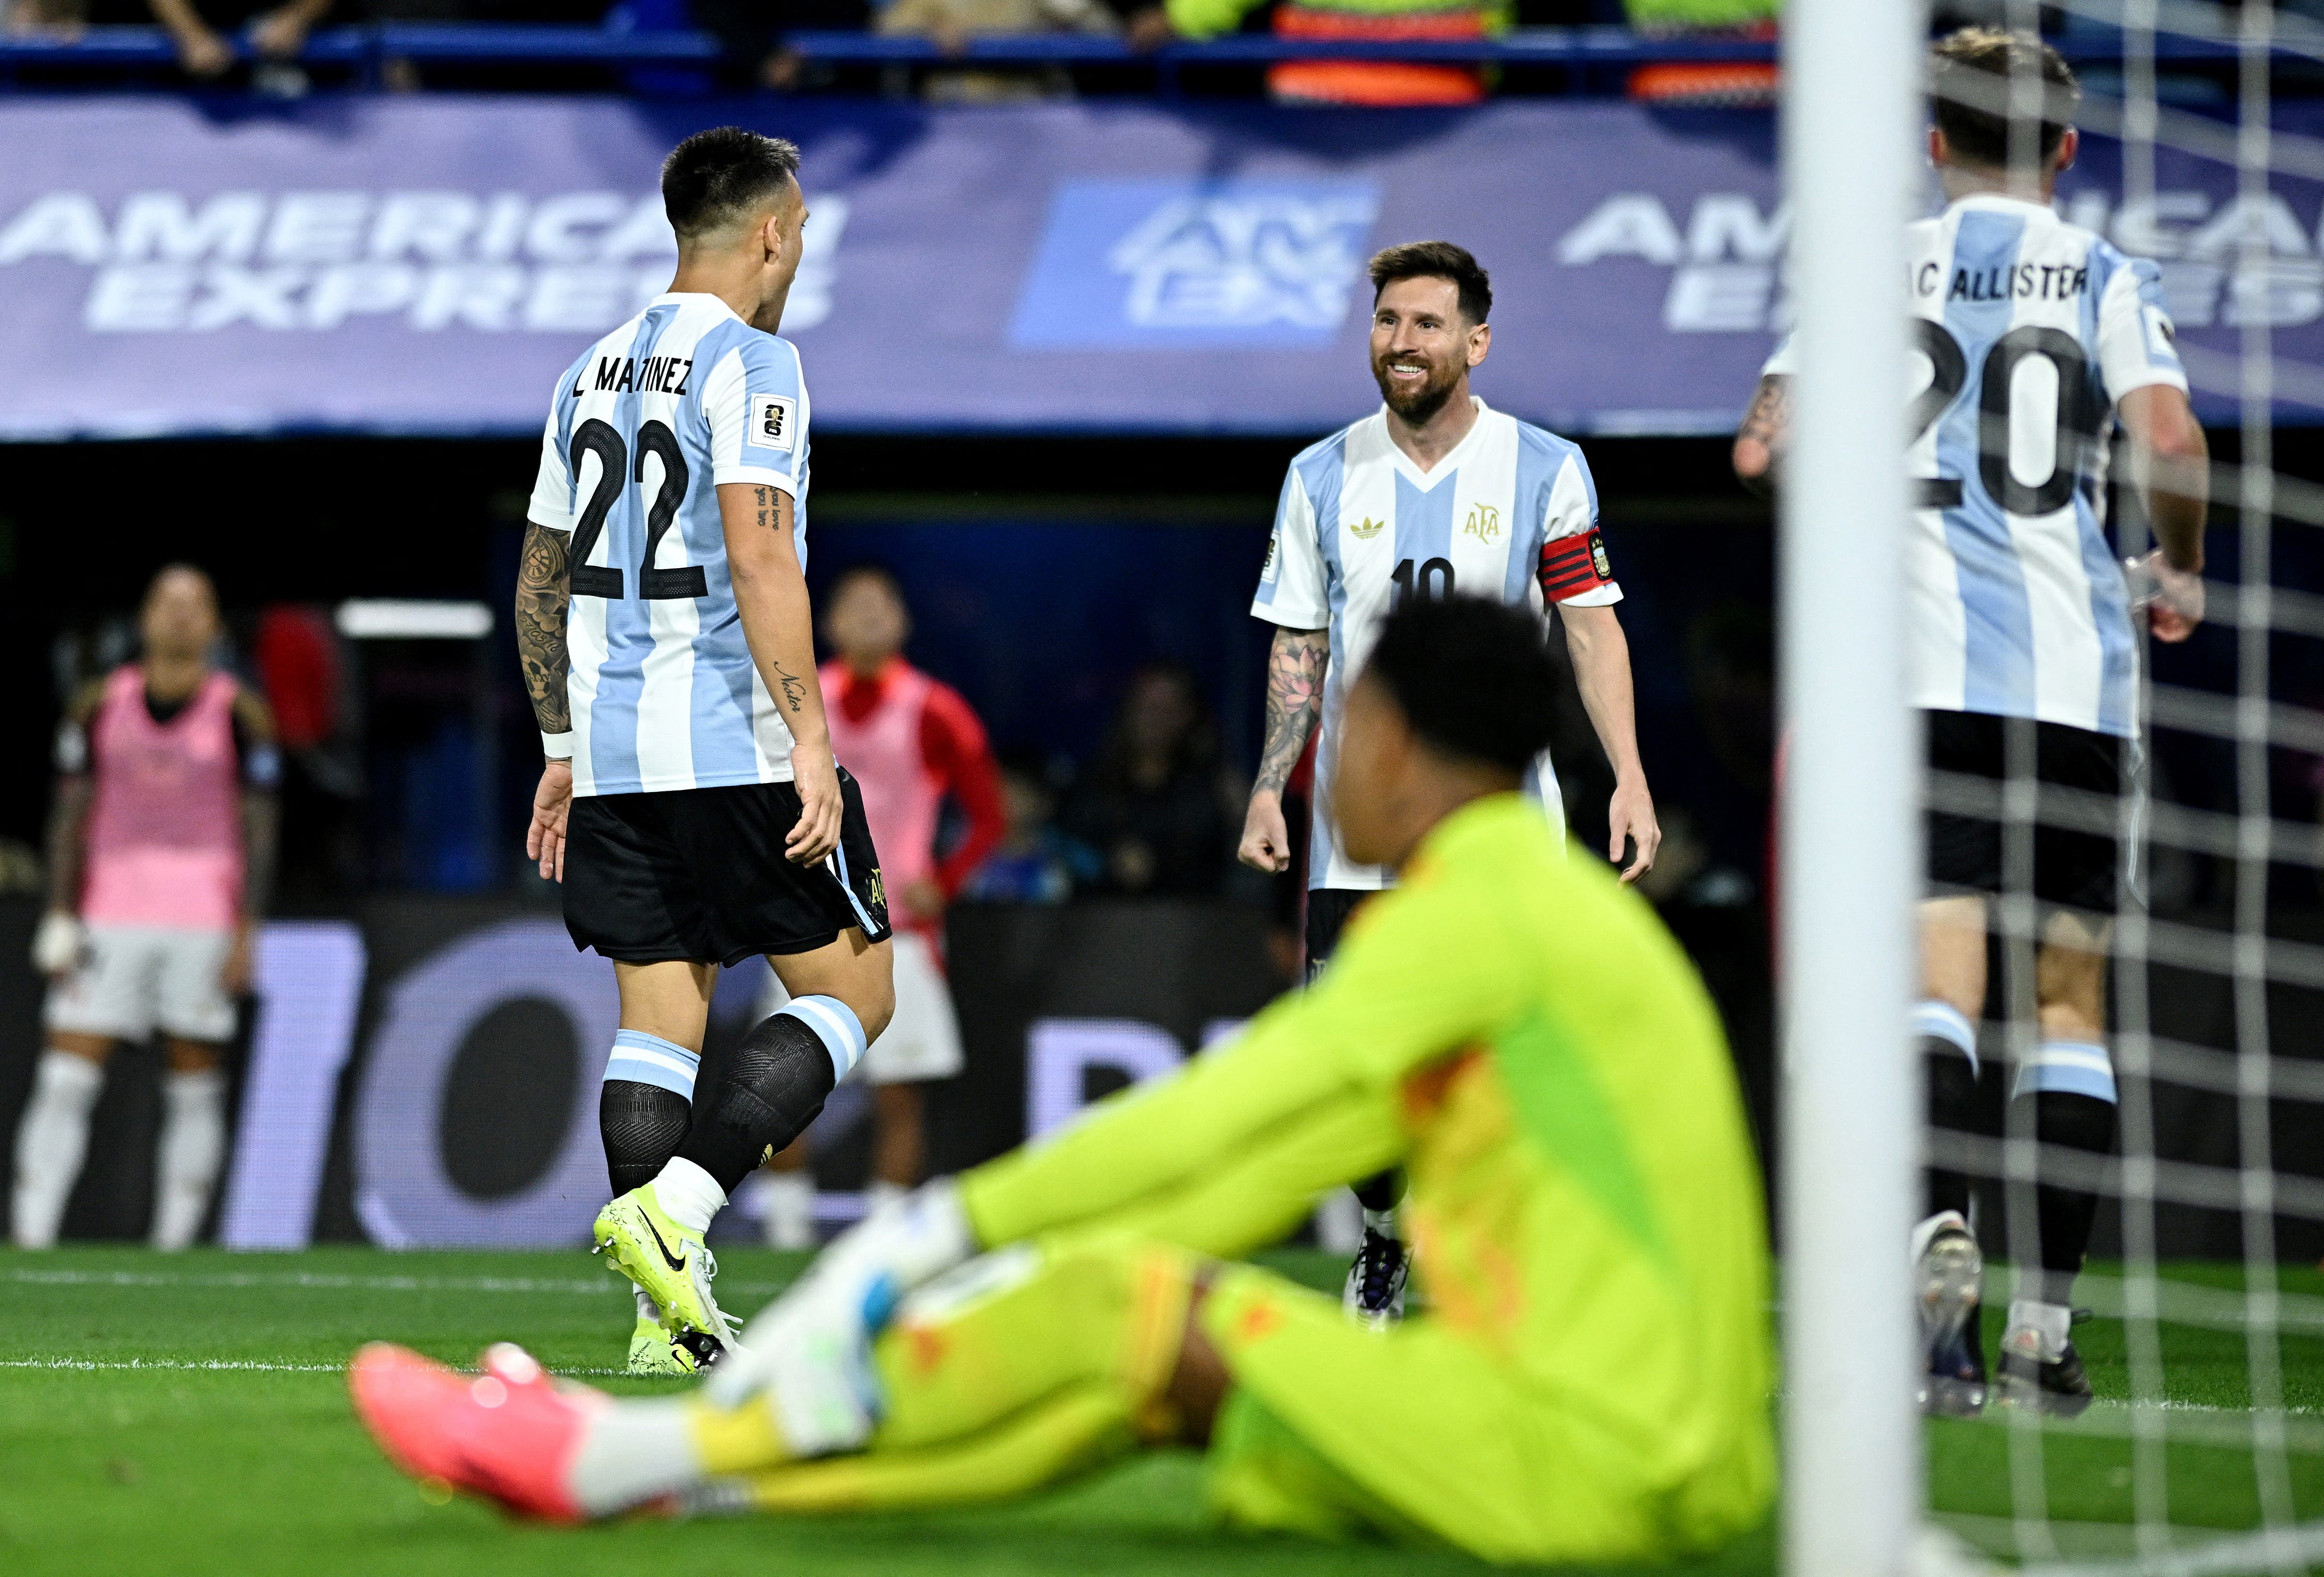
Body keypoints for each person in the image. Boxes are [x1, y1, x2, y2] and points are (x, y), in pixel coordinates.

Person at [348, 595, 1775, 1565]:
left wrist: (946, 1230)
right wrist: (1001, 1251)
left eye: (1346, 719)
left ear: (1393, 742)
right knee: (1136, 1366)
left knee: (1123, 1304)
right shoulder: (1542, 908)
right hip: (1663, 1458)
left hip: (1591, 1459)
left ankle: (622, 1455)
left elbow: (1227, 1113)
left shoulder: (1478, 912)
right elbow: (1247, 1172)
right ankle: (665, 1470)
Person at [1731, 27, 2210, 1417]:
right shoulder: (2102, 274)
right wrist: (2173, 563)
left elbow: (1762, 443)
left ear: (1928, 144)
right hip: (2067, 688)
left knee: (1932, 988)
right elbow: (2169, 442)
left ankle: (1930, 1273)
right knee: (2066, 1003)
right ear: (2064, 148)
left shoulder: (1862, 268)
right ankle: (2043, 1335)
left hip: (1907, 685)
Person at [515, 127, 896, 1376]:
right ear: (773, 230)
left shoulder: (588, 371)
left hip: (618, 750)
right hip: (727, 733)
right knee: (856, 991)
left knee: (659, 1018)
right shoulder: (758, 362)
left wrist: (563, 742)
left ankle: (661, 1325)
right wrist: (809, 730)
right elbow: (759, 553)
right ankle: (677, 1210)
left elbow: (539, 577)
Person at [1240, 238, 1662, 1324]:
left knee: (1501, 1066)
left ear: (1476, 340)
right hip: (1358, 838)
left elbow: (1589, 625)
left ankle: (1494, 1262)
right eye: (1387, 321)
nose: (1402, 342)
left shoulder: (1544, 467)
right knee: (1357, 1076)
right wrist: (1268, 786)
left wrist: (1627, 775)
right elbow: (1300, 646)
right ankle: (1382, 1240)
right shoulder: (1320, 474)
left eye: (1427, 323)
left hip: (1497, 838)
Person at [13, 565, 280, 1252]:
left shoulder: (240, 712)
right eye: (168, 602)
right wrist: (59, 910)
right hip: (110, 909)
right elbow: (68, 812)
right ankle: (31, 1237)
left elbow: (260, 826)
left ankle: (175, 1247)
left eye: (197, 604)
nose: (181, 616)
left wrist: (248, 928)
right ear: (145, 618)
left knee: (193, 1083)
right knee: (65, 1074)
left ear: (216, 625)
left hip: (203, 915)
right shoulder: (99, 703)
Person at [754, 565, 1005, 1249]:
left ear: (903, 623)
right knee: (785, 1087)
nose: (867, 617)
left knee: (897, 1096)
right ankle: (784, 1236)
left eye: (881, 605)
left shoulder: (934, 708)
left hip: (900, 930)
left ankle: (883, 1242)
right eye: (852, 605)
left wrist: (945, 880)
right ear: (826, 623)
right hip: (802, 921)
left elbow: (989, 815)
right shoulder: (799, 700)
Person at [1066, 664, 1244, 897]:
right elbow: (1065, 855)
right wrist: (1110, 862)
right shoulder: (1091, 786)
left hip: (1193, 925)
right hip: (1103, 925)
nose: (1155, 720)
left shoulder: (1215, 791)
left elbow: (1234, 871)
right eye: (1148, 707)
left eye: (1168, 709)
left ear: (1190, 715)